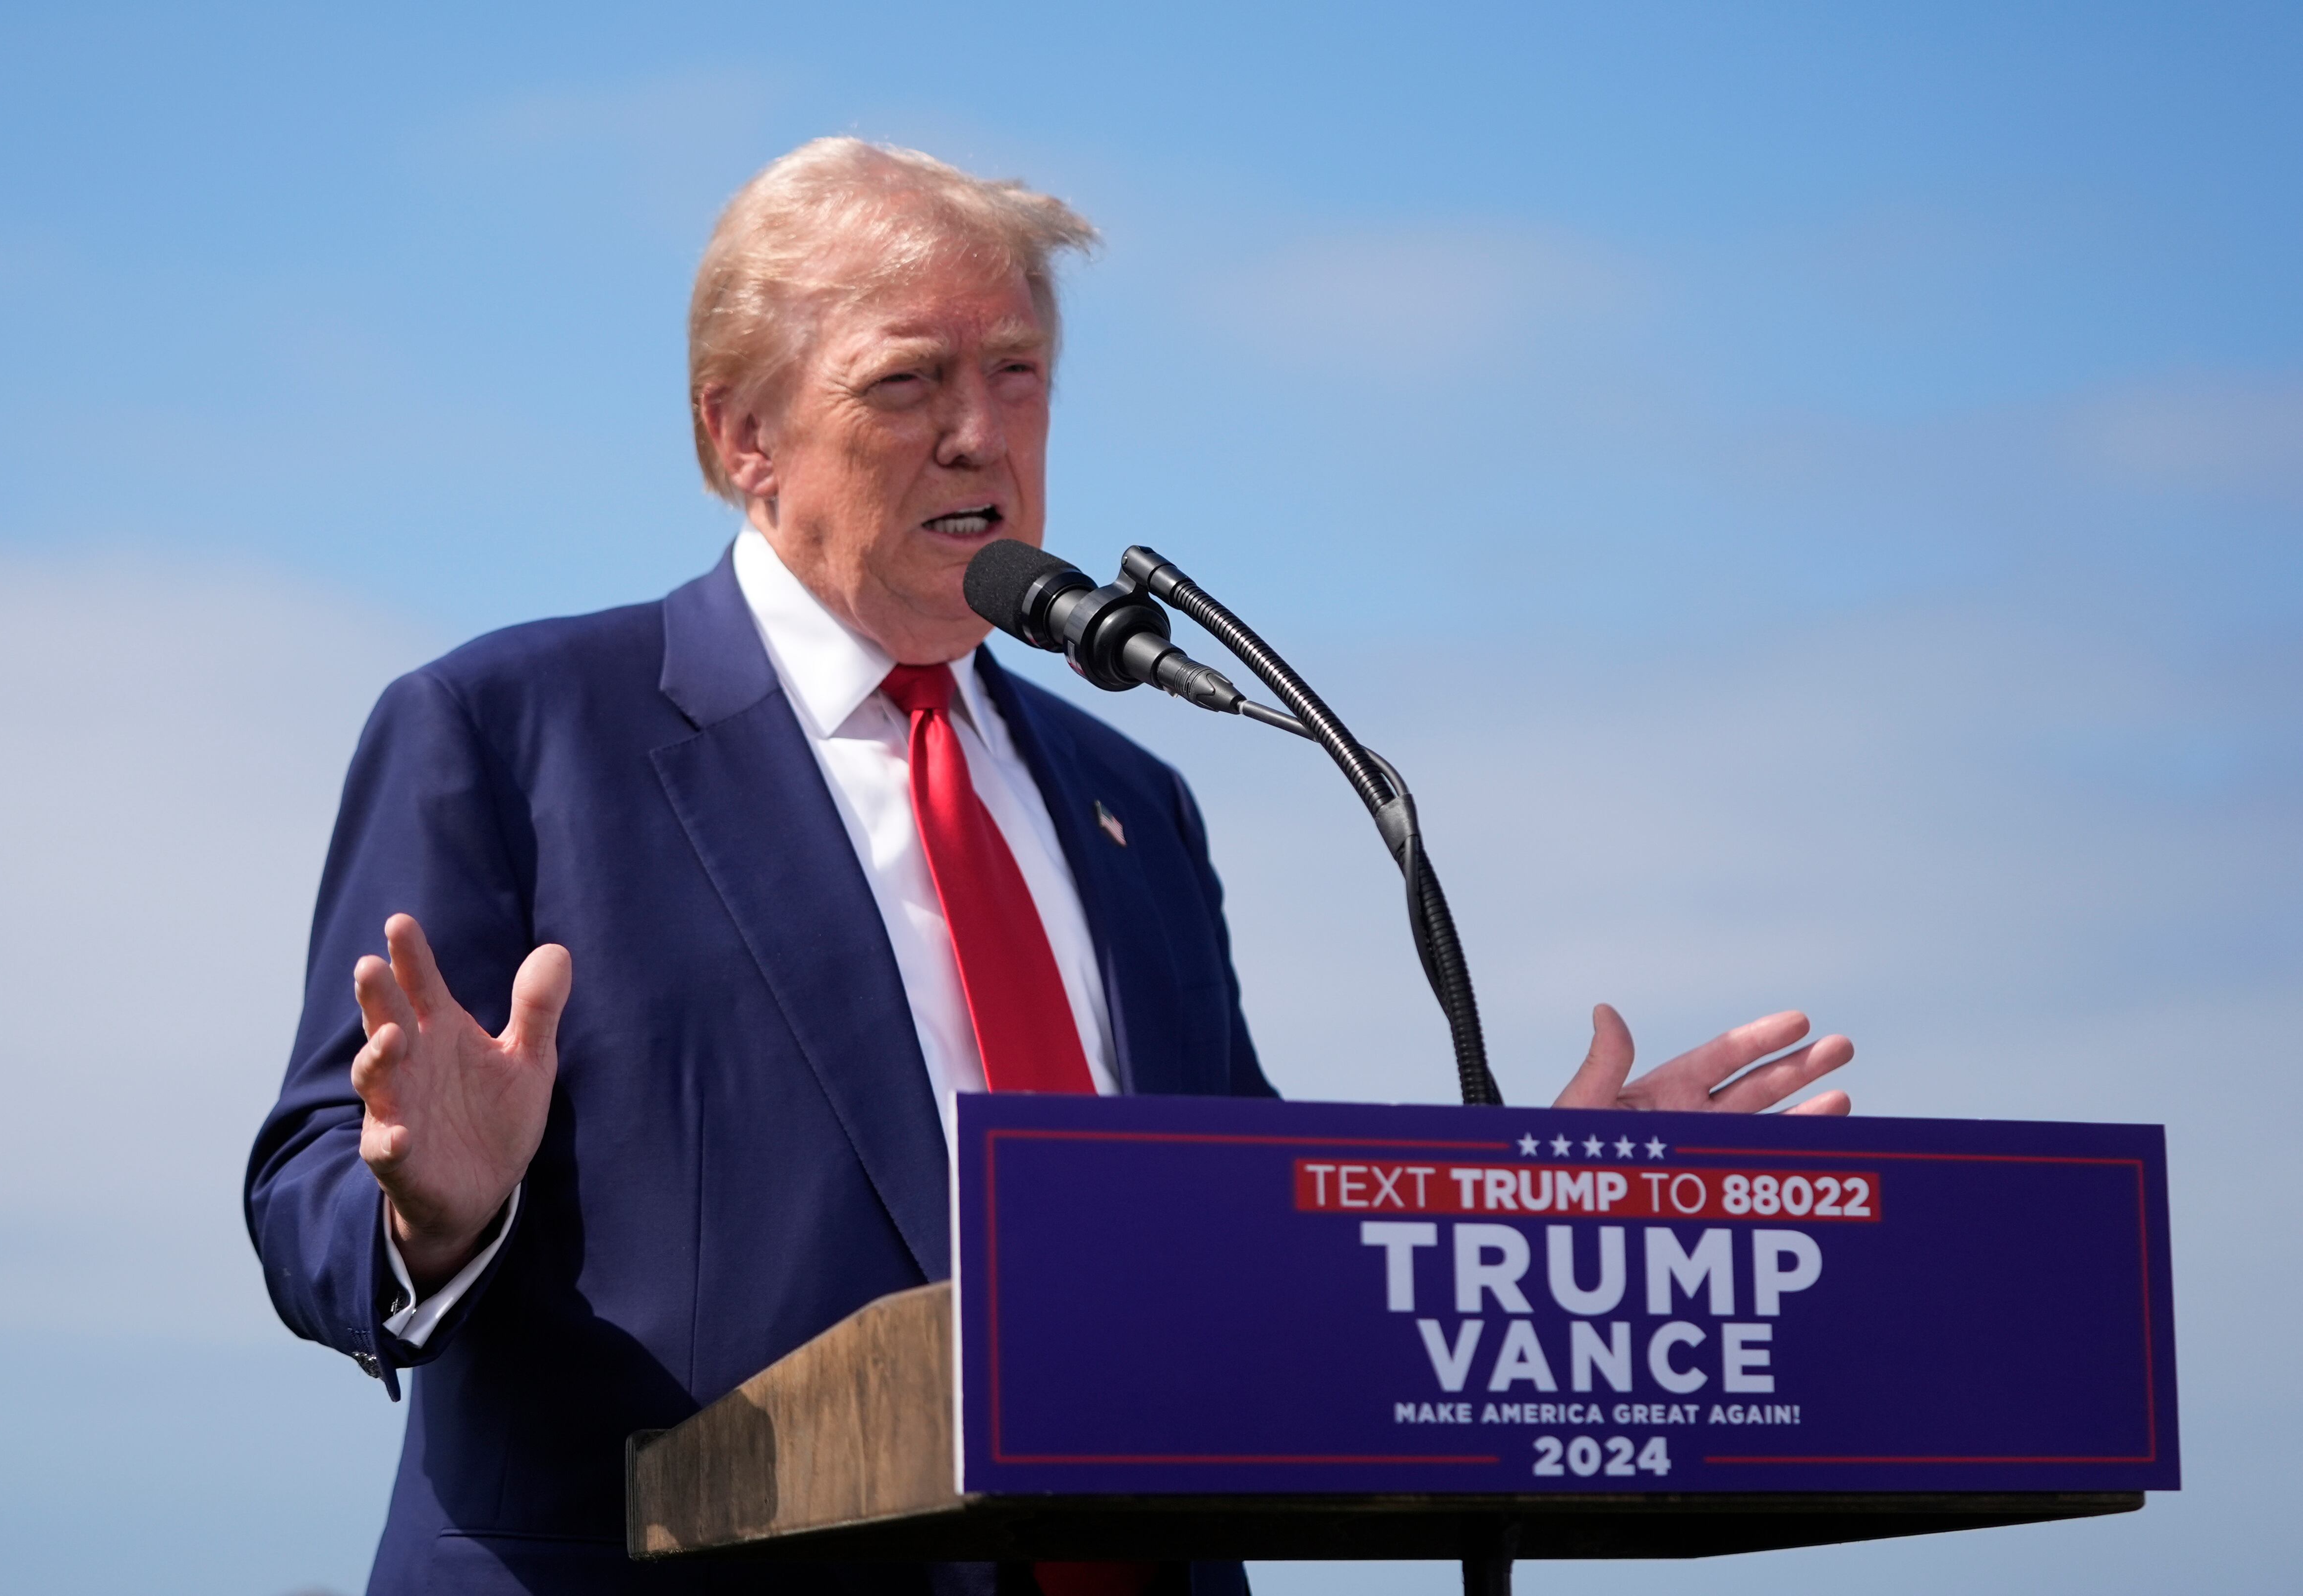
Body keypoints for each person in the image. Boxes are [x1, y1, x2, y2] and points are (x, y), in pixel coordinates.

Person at [245, 138, 1853, 1596]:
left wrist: (1534, 1208)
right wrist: (432, 1215)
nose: (978, 432)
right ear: (743, 433)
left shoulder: (1132, 799)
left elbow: (1241, 1225)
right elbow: (314, 1189)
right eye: (908, 383)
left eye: (1017, 375)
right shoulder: (511, 732)